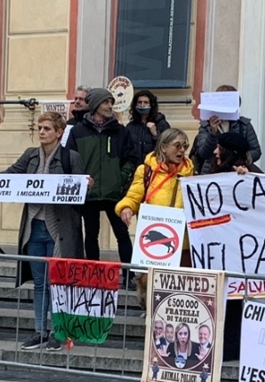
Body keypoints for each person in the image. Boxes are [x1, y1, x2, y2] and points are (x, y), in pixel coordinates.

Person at [5, 111, 84, 348]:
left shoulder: (71, 157)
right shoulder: (30, 156)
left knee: (57, 282)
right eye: (40, 128)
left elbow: (80, 192)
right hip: (33, 227)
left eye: (47, 128)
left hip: (59, 229)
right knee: (40, 283)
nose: (41, 132)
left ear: (59, 132)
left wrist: (85, 186)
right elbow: (9, 176)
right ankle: (40, 331)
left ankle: (59, 333)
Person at [72, 89, 133, 264]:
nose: (110, 106)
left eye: (110, 102)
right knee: (91, 234)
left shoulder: (120, 131)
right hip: (89, 193)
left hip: (114, 192)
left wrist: (119, 177)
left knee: (121, 232)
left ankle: (128, 276)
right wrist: (81, 179)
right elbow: (70, 158)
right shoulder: (78, 131)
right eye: (106, 102)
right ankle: (94, 275)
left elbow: (131, 157)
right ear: (95, 105)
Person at [117, 128, 195, 224]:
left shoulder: (190, 175)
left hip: (181, 235)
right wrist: (127, 207)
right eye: (177, 146)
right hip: (153, 231)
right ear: (163, 148)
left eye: (185, 146)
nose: (182, 150)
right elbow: (134, 197)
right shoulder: (146, 171)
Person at [191, 85, 261, 171]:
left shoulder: (243, 125)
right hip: (211, 171)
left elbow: (256, 150)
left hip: (237, 171)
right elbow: (204, 153)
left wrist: (241, 159)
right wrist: (212, 133)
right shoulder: (206, 126)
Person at [122, 89, 171, 186]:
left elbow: (169, 147)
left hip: (155, 172)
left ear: (151, 105)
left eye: (145, 102)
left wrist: (155, 134)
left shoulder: (161, 124)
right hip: (135, 173)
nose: (142, 105)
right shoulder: (131, 126)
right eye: (139, 102)